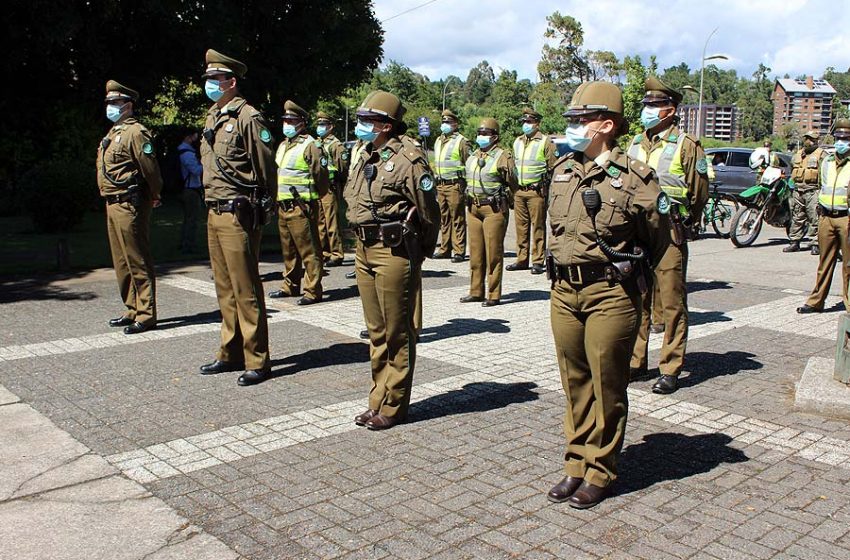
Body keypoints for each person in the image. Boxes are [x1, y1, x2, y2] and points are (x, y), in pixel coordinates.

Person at [545, 81, 670, 509]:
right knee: (574, 382)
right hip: (563, 290)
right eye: (573, 119)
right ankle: (576, 463)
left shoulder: (635, 179)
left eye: (582, 119)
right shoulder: (562, 169)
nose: (574, 126)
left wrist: (635, 281)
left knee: (607, 383)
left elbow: (660, 241)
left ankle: (601, 469)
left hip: (609, 294)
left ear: (606, 124)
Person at [344, 90, 439, 430]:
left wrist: (419, 254)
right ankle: (377, 399)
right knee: (376, 331)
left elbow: (429, 212)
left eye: (367, 121)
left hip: (394, 251)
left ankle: (395, 404)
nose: (361, 126)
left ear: (385, 125)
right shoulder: (364, 154)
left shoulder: (409, 159)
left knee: (398, 331)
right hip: (363, 249)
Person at [197, 49, 276, 386]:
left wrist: (265, 204)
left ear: (231, 82)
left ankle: (257, 359)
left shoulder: (248, 117)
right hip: (214, 212)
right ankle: (231, 352)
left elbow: (265, 165)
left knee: (245, 289)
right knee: (224, 288)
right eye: (208, 80)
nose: (210, 86)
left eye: (215, 80)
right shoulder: (212, 118)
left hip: (237, 212)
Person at [628, 77, 709, 395]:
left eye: (653, 106)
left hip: (669, 232)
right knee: (638, 300)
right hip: (636, 234)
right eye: (645, 105)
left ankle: (671, 367)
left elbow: (699, 192)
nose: (647, 111)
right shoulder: (634, 143)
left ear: (670, 110)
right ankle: (636, 362)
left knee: (673, 302)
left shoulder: (687, 146)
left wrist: (688, 220)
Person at [97, 80, 163, 335]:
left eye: (115, 103)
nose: (110, 107)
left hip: (129, 202)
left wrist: (155, 193)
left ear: (128, 105)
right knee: (121, 260)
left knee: (137, 258)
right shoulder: (113, 133)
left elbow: (150, 168)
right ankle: (132, 308)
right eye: (108, 103)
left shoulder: (136, 132)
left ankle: (146, 314)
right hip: (112, 202)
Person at [268, 100, 328, 305]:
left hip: (301, 206)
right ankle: (290, 286)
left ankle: (312, 290)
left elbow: (321, 177)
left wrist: (311, 199)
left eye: (291, 120)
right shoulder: (283, 144)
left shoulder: (310, 145)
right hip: (283, 205)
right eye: (285, 120)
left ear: (301, 123)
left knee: (309, 250)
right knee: (289, 250)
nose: (287, 124)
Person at [460, 118, 518, 306]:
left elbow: (513, 182)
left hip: (493, 208)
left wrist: (507, 198)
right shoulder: (473, 155)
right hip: (473, 208)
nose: (481, 136)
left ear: (495, 137)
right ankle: (476, 291)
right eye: (479, 133)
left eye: (485, 134)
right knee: (476, 253)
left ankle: (493, 294)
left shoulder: (503, 156)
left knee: (493, 252)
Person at [797, 118, 850, 314]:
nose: (841, 142)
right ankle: (816, 301)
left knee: (849, 265)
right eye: (838, 138)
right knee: (824, 262)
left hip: (846, 219)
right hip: (826, 217)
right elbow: (821, 186)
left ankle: (849, 304)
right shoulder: (827, 161)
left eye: (845, 138)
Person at [508, 107, 556, 275]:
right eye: (524, 122)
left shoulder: (545, 141)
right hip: (519, 191)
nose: (526, 125)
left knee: (538, 227)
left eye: (529, 122)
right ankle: (521, 259)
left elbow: (552, 168)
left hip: (536, 191)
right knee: (521, 227)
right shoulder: (517, 141)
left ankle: (537, 260)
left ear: (537, 123)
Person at [432, 109, 471, 262]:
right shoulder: (438, 140)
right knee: (444, 218)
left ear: (455, 124)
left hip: (455, 184)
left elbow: (469, 164)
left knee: (458, 218)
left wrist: (467, 186)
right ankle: (445, 248)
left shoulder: (462, 141)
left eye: (448, 122)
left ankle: (459, 250)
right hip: (440, 185)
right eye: (443, 122)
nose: (445, 125)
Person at [315, 111, 348, 266]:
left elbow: (342, 169)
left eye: (323, 125)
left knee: (331, 222)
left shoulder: (336, 145)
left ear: (330, 126)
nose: (320, 128)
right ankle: (324, 252)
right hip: (318, 187)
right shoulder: (317, 143)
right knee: (320, 222)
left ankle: (336, 253)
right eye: (319, 124)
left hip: (330, 187)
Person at [785, 130, 825, 254]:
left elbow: (825, 173)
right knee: (797, 217)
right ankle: (794, 242)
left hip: (813, 191)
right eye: (807, 138)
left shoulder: (821, 155)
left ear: (817, 141)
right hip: (798, 191)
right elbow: (793, 169)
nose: (808, 141)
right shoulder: (798, 154)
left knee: (814, 218)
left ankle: (815, 244)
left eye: (812, 139)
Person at [178, 128, 204, 254]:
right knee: (192, 219)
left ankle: (185, 242)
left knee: (188, 218)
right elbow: (196, 170)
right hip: (191, 189)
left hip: (187, 188)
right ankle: (188, 245)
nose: (196, 139)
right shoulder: (187, 153)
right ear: (188, 137)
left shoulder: (182, 151)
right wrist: (204, 164)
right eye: (194, 137)